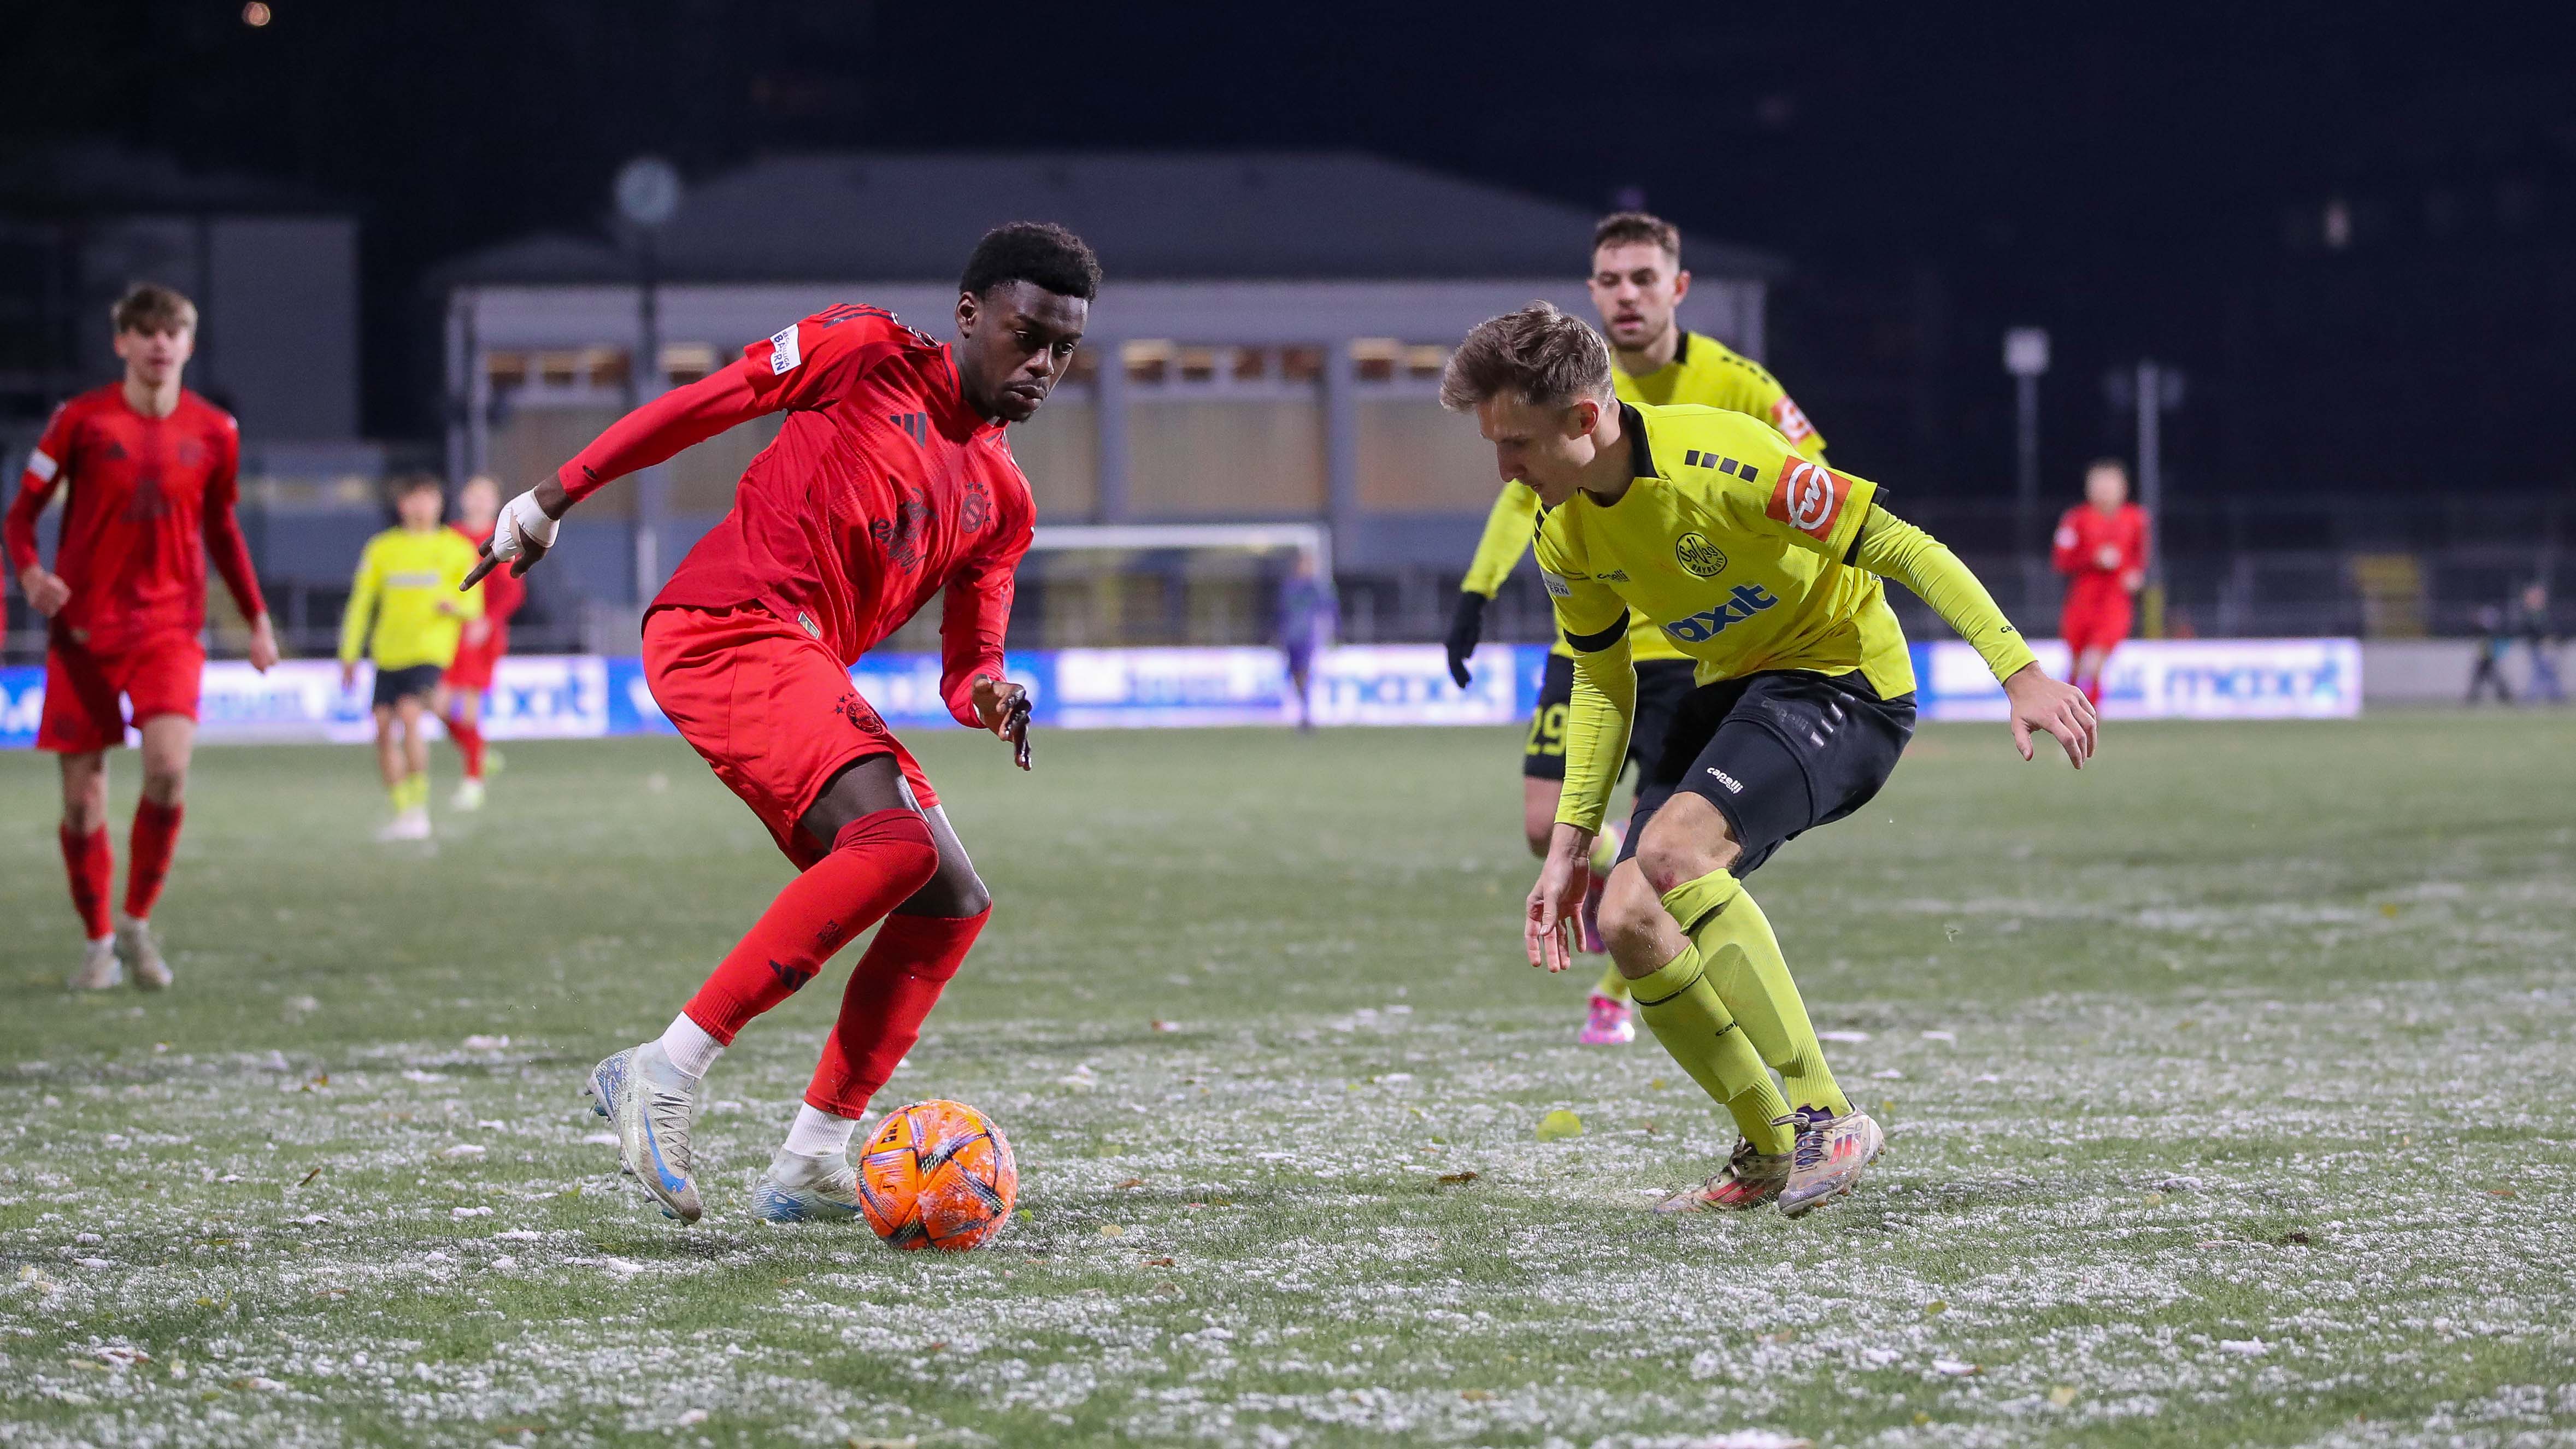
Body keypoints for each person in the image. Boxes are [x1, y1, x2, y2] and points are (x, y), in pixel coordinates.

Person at [474, 222, 1096, 1226]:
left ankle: (810, 1156)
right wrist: (554, 495)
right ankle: (664, 1069)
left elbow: (968, 661)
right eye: (1026, 334)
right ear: (969, 315)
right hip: (723, 624)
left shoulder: (1003, 500)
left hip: (794, 655)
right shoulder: (865, 351)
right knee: (891, 844)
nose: (1042, 364)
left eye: (1062, 349)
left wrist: (989, 693)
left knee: (951, 898)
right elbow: (706, 403)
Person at [1443, 303, 2094, 1217]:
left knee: (1671, 854)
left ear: (1582, 422)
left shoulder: (1727, 460)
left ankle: (1825, 1115)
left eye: (1514, 444)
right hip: (1738, 689)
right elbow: (1601, 681)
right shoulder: (1563, 532)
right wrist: (1567, 846)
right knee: (1627, 913)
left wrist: (2017, 671)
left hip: (1843, 679)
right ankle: (1767, 1149)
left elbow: (1899, 544)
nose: (1505, 470)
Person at [1445, 211, 1836, 1048]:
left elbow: (1815, 485)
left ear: (1677, 289)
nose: (1626, 296)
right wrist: (1476, 592)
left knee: (1656, 851)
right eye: (1610, 282)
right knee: (1544, 825)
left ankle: (1617, 985)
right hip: (1588, 637)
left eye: (1642, 280)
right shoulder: (1555, 386)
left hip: (1686, 653)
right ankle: (1619, 893)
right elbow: (1524, 493)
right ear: (1591, 292)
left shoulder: (1735, 384)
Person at [5, 282, 280, 991]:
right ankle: (97, 941)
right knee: (81, 800)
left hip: (169, 628)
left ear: (188, 344)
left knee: (166, 769)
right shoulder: (80, 421)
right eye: (145, 331)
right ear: (121, 342)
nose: (160, 343)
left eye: (173, 332)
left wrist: (256, 619)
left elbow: (222, 528)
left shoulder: (216, 430)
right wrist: (30, 574)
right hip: (83, 634)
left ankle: (136, 923)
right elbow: (20, 516)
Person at [337, 474, 483, 841]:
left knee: (409, 715)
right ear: (402, 505)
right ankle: (403, 809)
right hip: (388, 653)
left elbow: (473, 601)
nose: (421, 506)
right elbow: (361, 604)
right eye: (413, 498)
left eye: (428, 498)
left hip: (430, 651)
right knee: (383, 729)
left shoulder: (456, 548)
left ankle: (419, 809)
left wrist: (456, 605)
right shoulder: (382, 549)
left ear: (439, 503)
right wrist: (349, 654)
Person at [442, 475, 524, 809]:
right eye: (473, 496)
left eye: (485, 496)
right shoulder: (450, 537)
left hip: (484, 635)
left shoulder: (504, 539)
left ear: (496, 503)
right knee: (438, 705)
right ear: (463, 500)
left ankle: (472, 783)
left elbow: (513, 590)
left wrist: (488, 621)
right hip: (449, 632)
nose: (478, 502)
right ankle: (478, 752)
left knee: (470, 709)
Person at [2051, 458, 2149, 707]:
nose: (2105, 491)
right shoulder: (2076, 519)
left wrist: (2134, 574)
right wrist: (2093, 558)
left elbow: (2140, 558)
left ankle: (2089, 723)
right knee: (2075, 668)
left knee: (2093, 664)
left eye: (2111, 485)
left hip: (2114, 605)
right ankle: (2069, 723)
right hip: (2081, 602)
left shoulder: (2136, 519)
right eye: (2099, 485)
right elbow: (2061, 560)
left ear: (2123, 488)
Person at [1275, 550, 1337, 731]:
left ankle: (1306, 715)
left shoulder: (1316, 588)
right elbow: (1281, 613)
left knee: (1305, 672)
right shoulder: (1290, 588)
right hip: (1291, 637)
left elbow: (1330, 609)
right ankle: (1304, 712)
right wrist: (1278, 635)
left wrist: (1332, 632)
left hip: (1307, 637)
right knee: (1296, 674)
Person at [2514, 581, 2562, 703]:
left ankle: (2554, 695)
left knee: (2545, 671)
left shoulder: (2543, 612)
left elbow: (2551, 628)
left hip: (2545, 646)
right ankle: (2541, 696)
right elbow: (2530, 630)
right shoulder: (2530, 614)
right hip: (2536, 646)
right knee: (2541, 671)